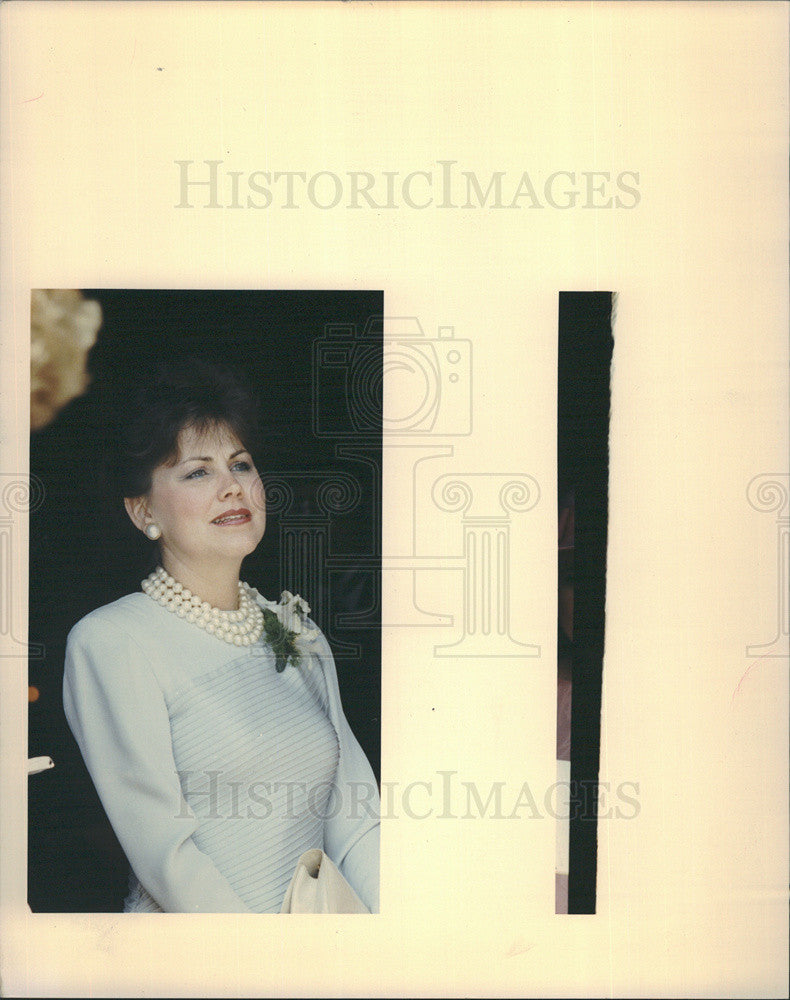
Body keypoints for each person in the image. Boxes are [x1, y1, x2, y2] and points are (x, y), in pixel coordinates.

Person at [62, 358, 380, 913]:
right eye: (197, 472)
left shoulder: (296, 630)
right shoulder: (113, 642)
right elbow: (166, 856)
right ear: (142, 512)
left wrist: (393, 943)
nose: (232, 488)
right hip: (204, 965)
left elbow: (357, 819)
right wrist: (256, 970)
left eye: (241, 464)